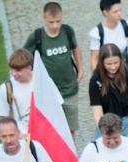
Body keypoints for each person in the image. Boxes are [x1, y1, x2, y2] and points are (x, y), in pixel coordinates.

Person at [24, 2, 83, 140]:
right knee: (52, 128)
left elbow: (75, 47)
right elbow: (24, 57)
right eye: (51, 22)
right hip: (48, 93)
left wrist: (80, 69)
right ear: (44, 17)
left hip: (69, 90)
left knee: (70, 129)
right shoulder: (36, 37)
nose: (55, 25)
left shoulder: (67, 31)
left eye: (58, 21)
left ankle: (70, 159)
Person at [89, 43, 128, 140]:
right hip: (106, 124)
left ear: (121, 60)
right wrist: (107, 134)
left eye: (116, 63)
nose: (113, 67)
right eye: (108, 64)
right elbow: (98, 114)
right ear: (102, 63)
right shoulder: (95, 81)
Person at [90, 0, 128, 81]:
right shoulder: (97, 33)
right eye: (115, 12)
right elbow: (94, 59)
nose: (120, 14)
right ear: (105, 13)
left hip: (126, 71)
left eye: (120, 10)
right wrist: (97, 81)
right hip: (107, 75)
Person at [0, 49, 34, 133]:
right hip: (22, 136)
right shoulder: (6, 88)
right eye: (12, 69)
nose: (13, 73)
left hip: (45, 133)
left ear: (29, 68)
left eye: (18, 70)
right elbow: (3, 117)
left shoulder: (42, 80)